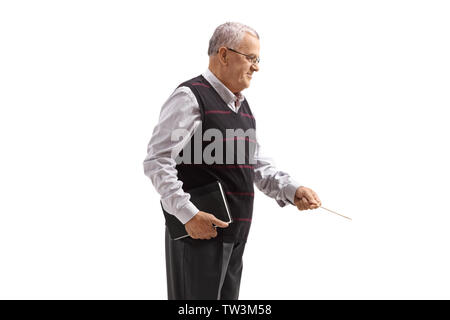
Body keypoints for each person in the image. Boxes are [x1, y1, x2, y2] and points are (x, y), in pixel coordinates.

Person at [143, 22, 321, 300]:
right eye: (250, 58)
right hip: (198, 236)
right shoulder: (190, 97)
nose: (256, 67)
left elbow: (255, 164)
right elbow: (157, 159)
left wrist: (292, 190)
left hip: (234, 235)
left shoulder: (242, 106)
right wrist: (188, 214)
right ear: (223, 55)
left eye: (257, 59)